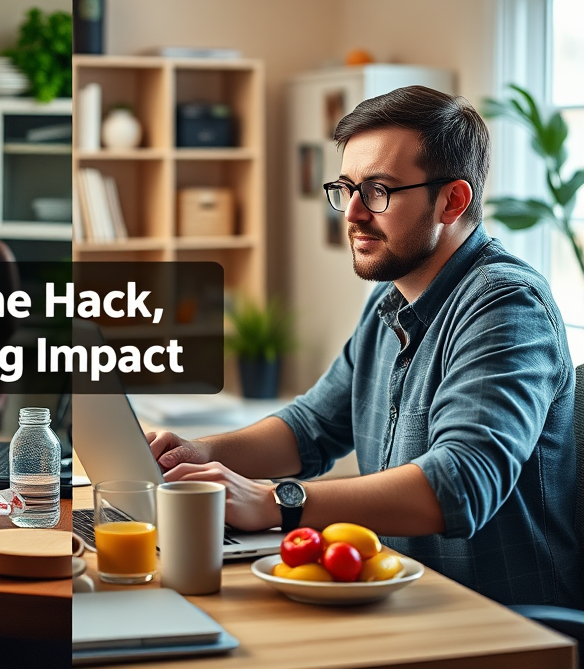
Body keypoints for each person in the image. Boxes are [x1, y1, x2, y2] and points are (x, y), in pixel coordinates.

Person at [149, 85, 582, 609]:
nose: (352, 212)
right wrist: (199, 455)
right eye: (347, 188)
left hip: (499, 620)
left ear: (452, 200)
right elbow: (311, 429)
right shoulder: (390, 299)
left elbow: (462, 481)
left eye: (378, 190)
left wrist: (274, 501)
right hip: (397, 598)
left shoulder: (506, 306)